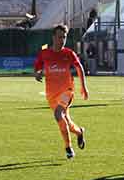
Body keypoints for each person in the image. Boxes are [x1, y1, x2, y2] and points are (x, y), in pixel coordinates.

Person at [34, 24, 88, 159]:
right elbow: (37, 68)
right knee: (67, 123)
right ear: (53, 37)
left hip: (67, 91)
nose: (62, 40)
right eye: (59, 37)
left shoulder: (69, 53)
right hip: (51, 94)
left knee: (59, 114)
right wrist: (37, 74)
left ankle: (68, 148)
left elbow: (79, 67)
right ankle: (79, 132)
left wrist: (83, 87)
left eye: (64, 37)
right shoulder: (44, 53)